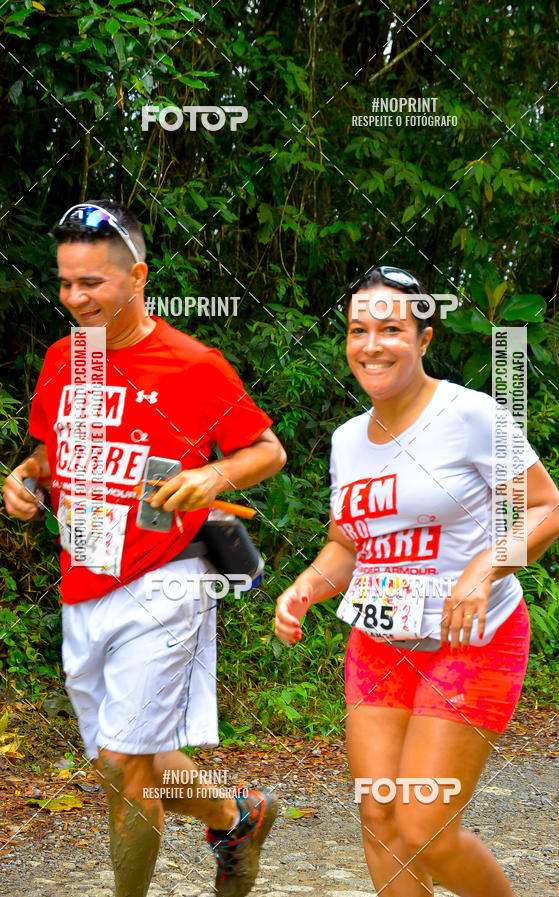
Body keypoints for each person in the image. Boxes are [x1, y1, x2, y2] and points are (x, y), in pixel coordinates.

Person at [2, 200, 286, 897]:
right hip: (83, 579)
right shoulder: (64, 358)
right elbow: (49, 454)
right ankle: (236, 814)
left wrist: (213, 476)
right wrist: (24, 479)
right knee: (120, 762)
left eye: (91, 283)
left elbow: (267, 450)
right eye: (66, 283)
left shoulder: (193, 364)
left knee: (126, 764)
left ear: (137, 277)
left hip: (166, 579)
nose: (74, 298)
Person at [275, 265, 559, 897]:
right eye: (358, 330)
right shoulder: (347, 441)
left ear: (424, 338)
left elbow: (548, 510)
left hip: (473, 640)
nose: (372, 345)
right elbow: (346, 545)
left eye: (391, 329)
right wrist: (305, 586)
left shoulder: (469, 415)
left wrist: (485, 567)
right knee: (381, 819)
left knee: (425, 828)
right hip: (380, 643)